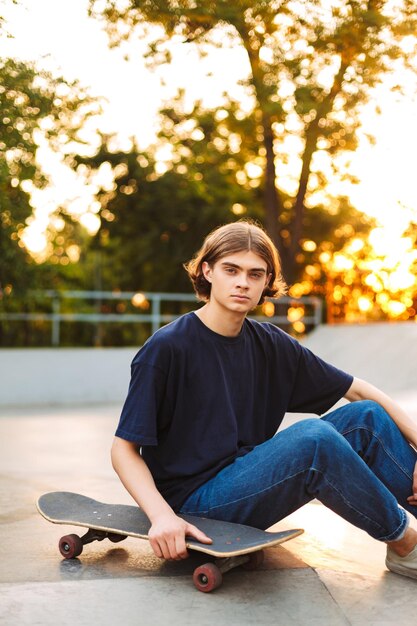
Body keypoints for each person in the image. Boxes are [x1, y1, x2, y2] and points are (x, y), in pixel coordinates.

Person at [112, 220, 417, 579]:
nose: (243, 282)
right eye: (231, 270)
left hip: (250, 480)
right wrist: (163, 517)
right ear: (207, 271)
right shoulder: (167, 349)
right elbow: (123, 450)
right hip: (194, 503)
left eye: (255, 274)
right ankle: (406, 546)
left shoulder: (270, 343)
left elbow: (360, 391)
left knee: (366, 417)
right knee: (313, 440)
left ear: (266, 282)